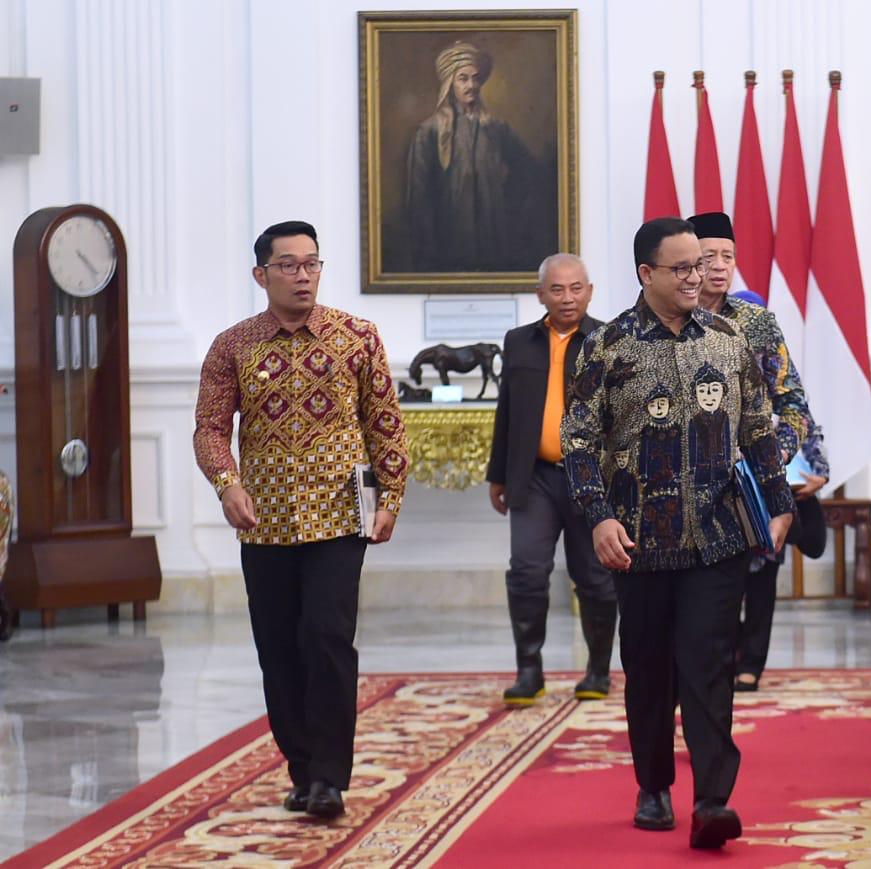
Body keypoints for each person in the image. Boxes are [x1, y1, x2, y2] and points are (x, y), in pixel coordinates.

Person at [562, 217, 795, 849]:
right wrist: (598, 516)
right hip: (638, 543)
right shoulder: (607, 347)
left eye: (701, 265)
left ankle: (713, 800)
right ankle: (654, 785)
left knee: (709, 664)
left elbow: (758, 428)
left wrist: (779, 505)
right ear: (647, 273)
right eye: (683, 268)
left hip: (718, 536)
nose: (699, 277)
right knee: (648, 668)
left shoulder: (728, 338)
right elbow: (577, 441)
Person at [194, 221, 408, 819]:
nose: (303, 275)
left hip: (339, 517)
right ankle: (302, 769)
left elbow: (385, 422)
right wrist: (227, 484)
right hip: (264, 521)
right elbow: (210, 427)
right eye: (288, 265)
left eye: (311, 263)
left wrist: (391, 497)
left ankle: (330, 779)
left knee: (327, 637)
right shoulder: (233, 346)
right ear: (261, 275)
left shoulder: (357, 336)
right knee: (279, 648)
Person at [687, 211, 829, 692]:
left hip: (750, 484)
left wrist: (775, 461)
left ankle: (741, 667)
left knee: (753, 579)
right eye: (709, 257)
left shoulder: (756, 323)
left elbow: (793, 403)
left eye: (728, 256)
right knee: (693, 609)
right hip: (683, 492)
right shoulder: (661, 325)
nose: (720, 266)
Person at [486, 253, 616, 706]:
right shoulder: (518, 341)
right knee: (526, 572)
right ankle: (529, 672)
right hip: (534, 477)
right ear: (540, 294)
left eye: (576, 288)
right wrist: (498, 474)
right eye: (557, 289)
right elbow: (506, 410)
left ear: (589, 291)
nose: (567, 298)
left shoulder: (608, 340)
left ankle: (598, 669)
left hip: (591, 481)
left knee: (595, 578)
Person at [405, 41, 554, 272]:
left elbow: (528, 172)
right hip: (448, 244)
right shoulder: (429, 132)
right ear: (450, 84)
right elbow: (419, 197)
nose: (471, 85)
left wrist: (506, 204)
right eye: (463, 79)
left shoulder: (496, 129)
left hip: (493, 241)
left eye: (475, 79)